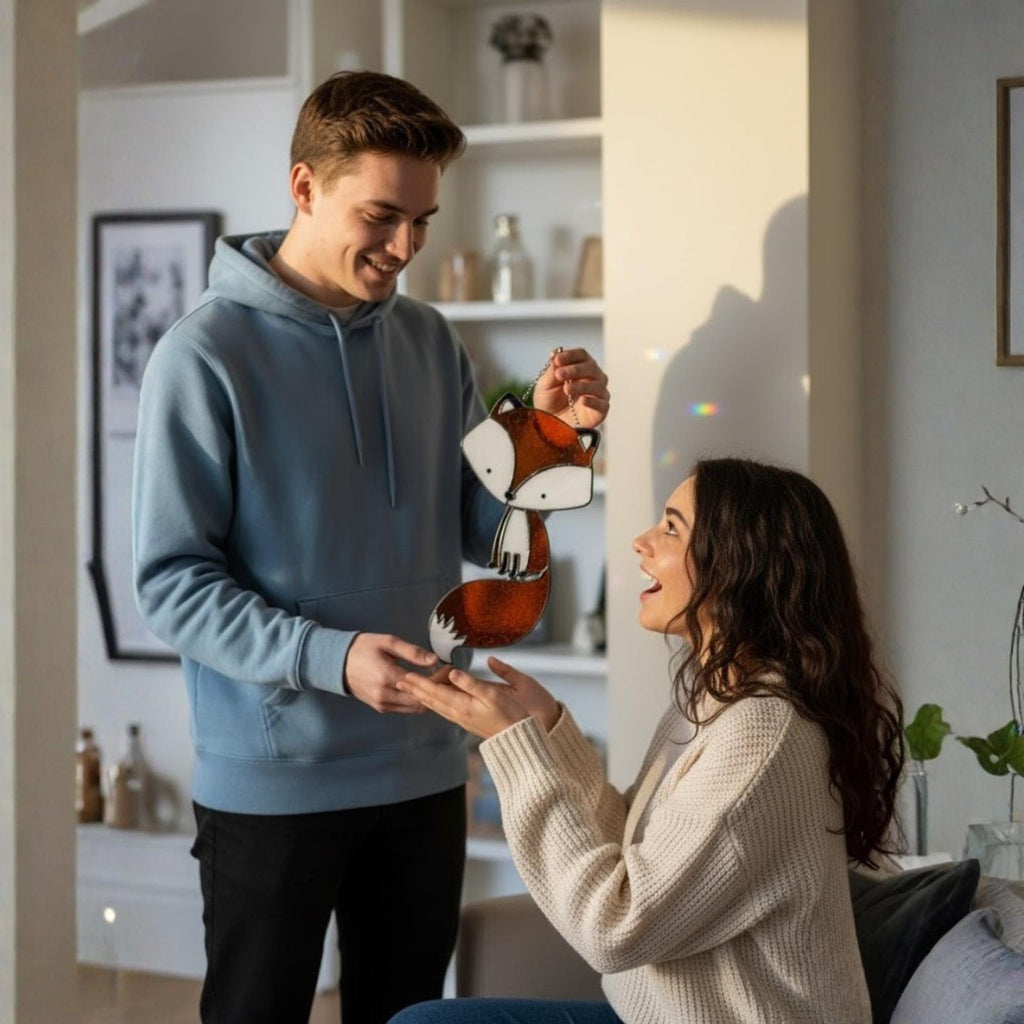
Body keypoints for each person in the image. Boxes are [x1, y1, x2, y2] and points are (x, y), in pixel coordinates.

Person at [131, 70, 610, 1024]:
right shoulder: (205, 356)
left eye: (423, 221)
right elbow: (172, 584)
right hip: (274, 780)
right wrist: (332, 659)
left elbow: (487, 533)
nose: (405, 248)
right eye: (383, 215)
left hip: (425, 766)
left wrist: (550, 445)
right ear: (304, 186)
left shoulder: (433, 344)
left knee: (408, 1020)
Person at [391, 458, 905, 1024]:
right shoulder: (720, 696)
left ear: (739, 564)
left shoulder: (763, 733)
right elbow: (637, 851)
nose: (640, 542)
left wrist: (517, 752)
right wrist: (549, 731)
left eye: (671, 528)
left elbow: (617, 927)